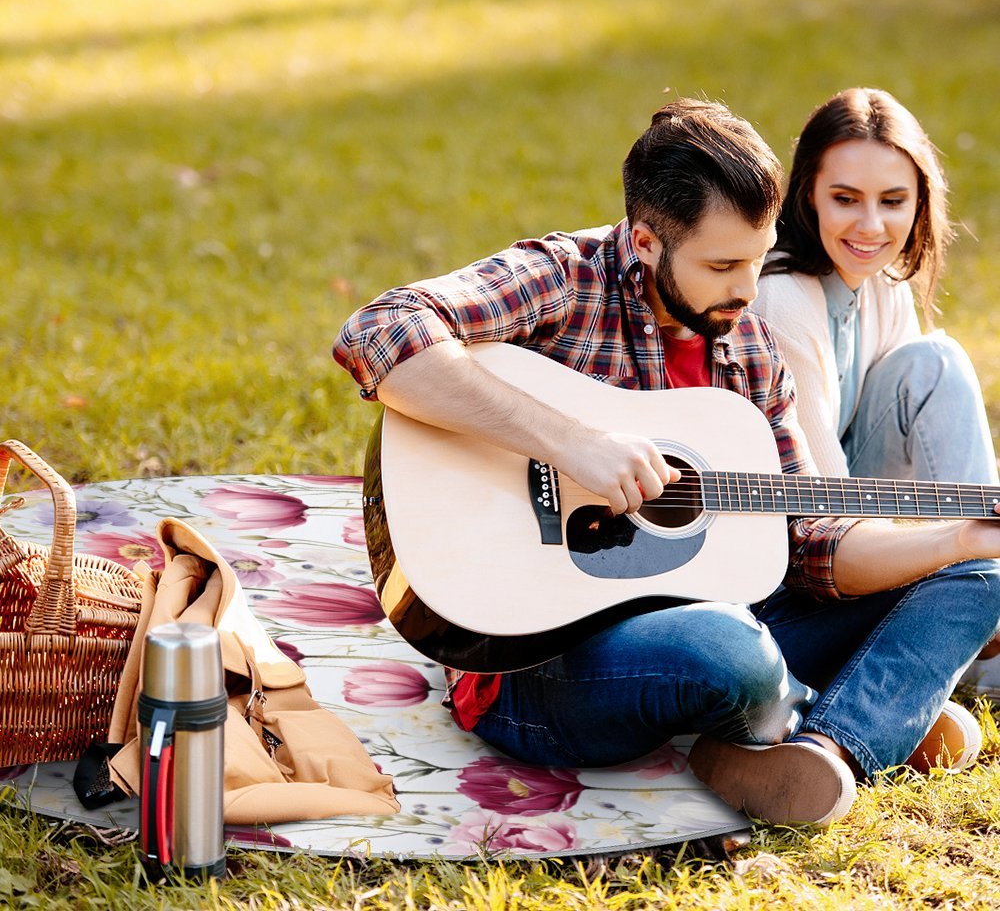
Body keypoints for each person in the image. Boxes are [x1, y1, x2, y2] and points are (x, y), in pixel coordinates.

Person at [333, 98, 1000, 827]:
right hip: (536, 663)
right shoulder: (564, 278)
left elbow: (809, 540)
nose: (748, 291)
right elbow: (380, 330)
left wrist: (957, 539)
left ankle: (830, 747)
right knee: (729, 652)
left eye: (757, 257)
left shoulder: (748, 347)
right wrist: (569, 442)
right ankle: (858, 707)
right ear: (646, 241)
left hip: (724, 619)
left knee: (980, 575)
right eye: (722, 265)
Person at [753, 87, 1000, 707]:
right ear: (807, 192)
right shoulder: (783, 298)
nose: (872, 226)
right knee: (937, 361)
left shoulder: (881, 281)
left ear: (920, 203)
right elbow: (823, 514)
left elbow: (923, 433)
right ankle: (976, 615)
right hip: (797, 552)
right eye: (845, 199)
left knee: (932, 362)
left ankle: (980, 603)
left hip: (861, 513)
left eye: (893, 201)